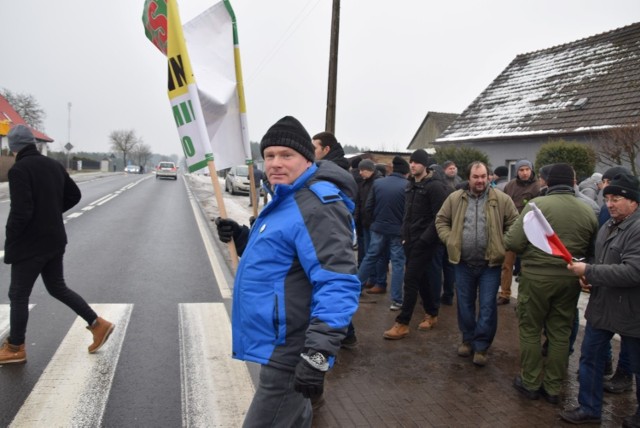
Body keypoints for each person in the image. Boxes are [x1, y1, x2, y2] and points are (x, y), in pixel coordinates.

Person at [214, 116, 360, 427]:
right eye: (269, 155)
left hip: (292, 351)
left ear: (308, 158)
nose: (275, 163)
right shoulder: (286, 197)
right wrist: (242, 237)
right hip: (277, 346)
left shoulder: (316, 206)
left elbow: (338, 282)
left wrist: (317, 353)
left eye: (286, 155)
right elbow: (283, 260)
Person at [0, 125, 114, 365]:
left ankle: (15, 347)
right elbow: (74, 196)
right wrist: (50, 213)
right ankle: (97, 324)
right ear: (33, 143)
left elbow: (21, 212)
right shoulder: (54, 166)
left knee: (18, 294)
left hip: (30, 244)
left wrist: (10, 239)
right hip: (54, 240)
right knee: (57, 288)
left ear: (14, 148)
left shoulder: (19, 170)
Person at [504, 163, 598, 404]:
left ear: (548, 182)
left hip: (536, 278)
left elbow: (513, 242)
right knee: (560, 332)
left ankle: (531, 381)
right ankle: (554, 387)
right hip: (569, 279)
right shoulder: (588, 210)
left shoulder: (537, 208)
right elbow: (592, 251)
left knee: (531, 329)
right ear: (573, 182)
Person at [560, 172, 640, 427]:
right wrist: (590, 274)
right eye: (607, 199)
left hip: (632, 310)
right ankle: (589, 407)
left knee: (638, 366)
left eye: (616, 198)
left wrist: (590, 271)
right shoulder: (606, 226)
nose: (610, 204)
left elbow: (633, 272)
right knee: (590, 357)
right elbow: (603, 263)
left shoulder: (638, 228)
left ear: (633, 201)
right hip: (603, 305)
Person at [435, 161, 518, 366]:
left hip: (490, 264)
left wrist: (502, 243)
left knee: (488, 306)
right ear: (469, 178)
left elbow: (514, 223)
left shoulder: (502, 199)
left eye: (483, 176)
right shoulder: (455, 198)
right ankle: (467, 339)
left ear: (489, 177)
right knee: (464, 304)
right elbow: (441, 220)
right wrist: (451, 239)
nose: (480, 180)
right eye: (476, 177)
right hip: (463, 262)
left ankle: (481, 346)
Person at [383, 150, 451, 339]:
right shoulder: (410, 184)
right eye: (411, 162)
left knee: (410, 279)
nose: (412, 165)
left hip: (425, 242)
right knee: (421, 280)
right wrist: (404, 236)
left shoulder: (435, 186)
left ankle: (403, 323)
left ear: (425, 165)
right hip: (409, 240)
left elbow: (440, 217)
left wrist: (424, 240)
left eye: (417, 162)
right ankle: (432, 313)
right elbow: (407, 214)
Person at [357, 156, 409, 308]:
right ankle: (396, 300)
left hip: (378, 227)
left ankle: (355, 289)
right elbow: (409, 211)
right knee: (398, 263)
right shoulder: (407, 186)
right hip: (398, 230)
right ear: (405, 172)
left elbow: (368, 206)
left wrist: (376, 220)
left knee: (370, 257)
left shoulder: (378, 183)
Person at [498, 159, 540, 305]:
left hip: (530, 231)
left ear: (531, 170)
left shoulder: (537, 187)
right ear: (517, 172)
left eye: (527, 169)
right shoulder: (510, 186)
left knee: (526, 266)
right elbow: (502, 204)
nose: (524, 172)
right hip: (511, 228)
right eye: (521, 170)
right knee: (506, 264)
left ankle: (525, 298)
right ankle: (505, 293)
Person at [354, 159, 386, 283]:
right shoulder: (364, 183)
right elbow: (359, 202)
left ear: (370, 170)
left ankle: (377, 279)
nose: (360, 173)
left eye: (363, 170)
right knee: (369, 252)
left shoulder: (378, 183)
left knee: (375, 254)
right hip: (365, 223)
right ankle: (371, 278)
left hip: (374, 223)